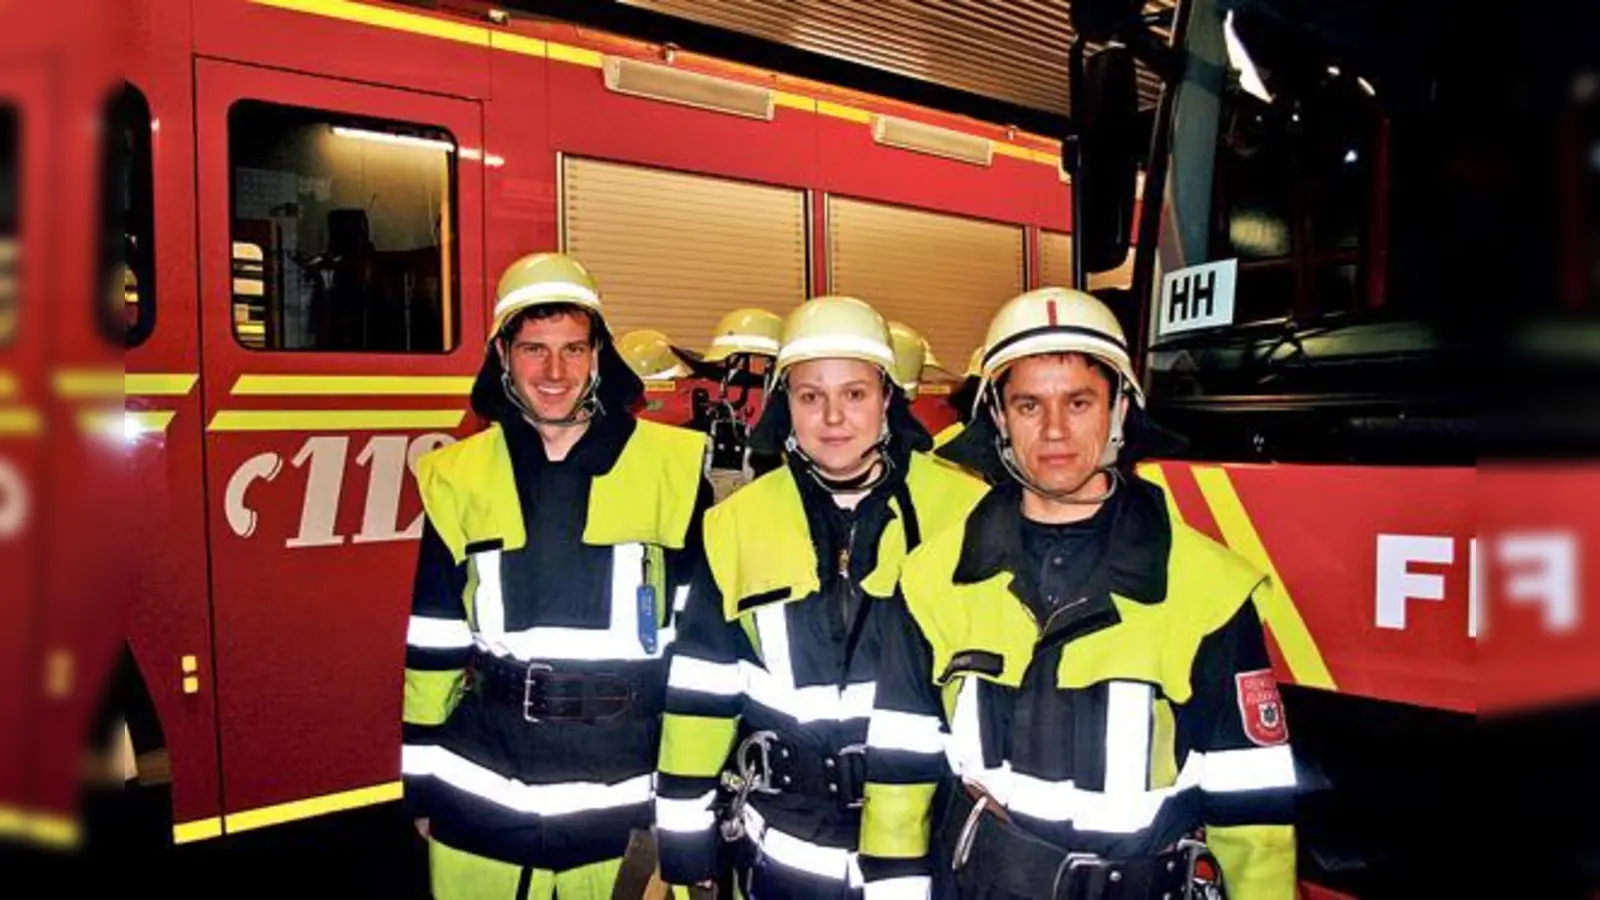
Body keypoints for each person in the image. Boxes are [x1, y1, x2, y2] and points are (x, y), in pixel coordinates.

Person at [858, 286, 1297, 900]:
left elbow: (1253, 813)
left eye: (1080, 401)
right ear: (1000, 420)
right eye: (1030, 405)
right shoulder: (933, 580)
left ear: (1119, 411)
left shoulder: (1208, 590)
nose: (1056, 431)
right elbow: (899, 778)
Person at [400, 252, 714, 900]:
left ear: (600, 355)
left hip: (626, 793)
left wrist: (688, 804)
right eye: (533, 349)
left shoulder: (674, 470)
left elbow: (700, 663)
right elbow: (431, 645)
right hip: (482, 785)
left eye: (573, 349)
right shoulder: (456, 475)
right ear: (503, 357)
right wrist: (422, 786)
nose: (554, 372)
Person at [654, 296, 990, 899]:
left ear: (888, 397)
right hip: (782, 848)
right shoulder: (736, 524)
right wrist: (683, 838)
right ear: (786, 405)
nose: (834, 417)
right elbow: (701, 692)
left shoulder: (964, 515)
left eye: (855, 394)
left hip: (924, 846)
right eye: (811, 396)